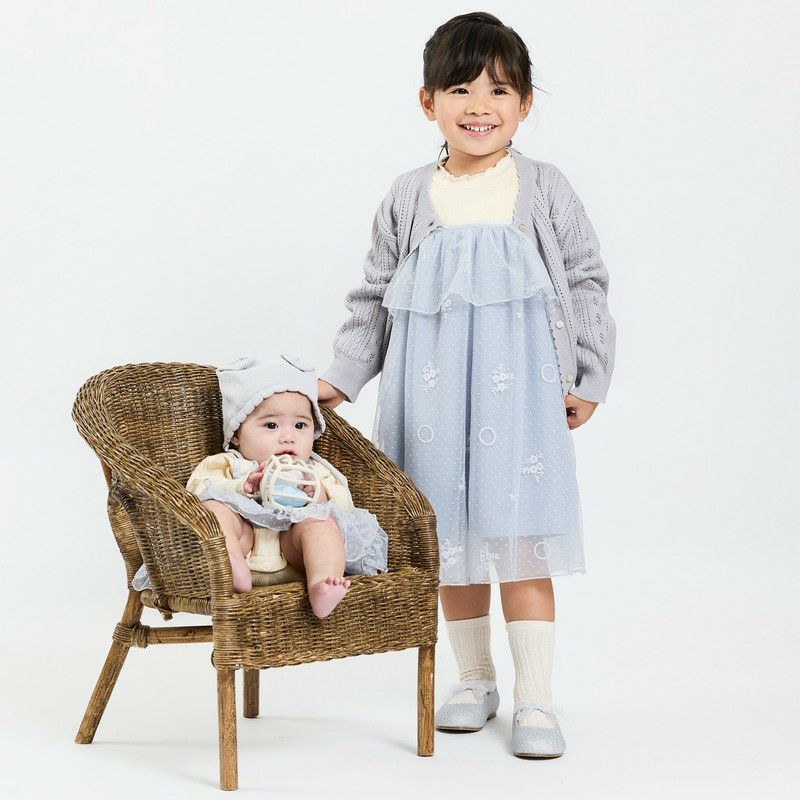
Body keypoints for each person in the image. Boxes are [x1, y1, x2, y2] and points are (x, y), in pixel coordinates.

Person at [317, 12, 616, 757]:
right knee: (446, 538)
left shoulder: (543, 189)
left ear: (525, 104)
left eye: (499, 90)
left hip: (523, 398)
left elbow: (585, 281)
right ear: (429, 103)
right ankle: (475, 678)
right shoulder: (408, 194)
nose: (479, 106)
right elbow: (374, 294)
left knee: (519, 540)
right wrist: (343, 378)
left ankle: (536, 697)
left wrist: (588, 373)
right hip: (430, 398)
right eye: (460, 89)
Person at [133, 354, 388, 619]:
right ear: (236, 435)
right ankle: (230, 565)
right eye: (271, 425)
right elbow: (196, 494)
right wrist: (241, 487)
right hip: (247, 547)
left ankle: (322, 583)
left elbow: (346, 512)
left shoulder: (315, 472)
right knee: (214, 510)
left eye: (300, 425)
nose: (288, 436)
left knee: (321, 523)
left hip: (295, 555)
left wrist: (320, 497)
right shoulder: (228, 464)